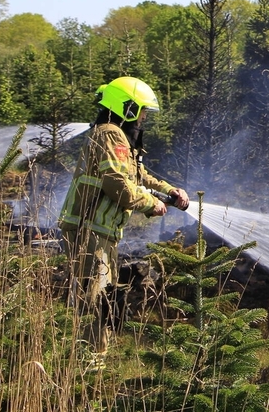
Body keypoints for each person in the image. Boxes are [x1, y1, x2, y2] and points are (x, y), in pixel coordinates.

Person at [58, 76, 189, 364]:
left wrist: (169, 191)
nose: (143, 119)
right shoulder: (109, 134)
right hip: (88, 230)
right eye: (142, 111)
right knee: (94, 302)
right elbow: (117, 182)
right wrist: (149, 203)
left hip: (101, 232)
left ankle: (95, 361)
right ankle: (89, 367)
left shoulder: (120, 140)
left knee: (105, 299)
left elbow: (138, 176)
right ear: (126, 107)